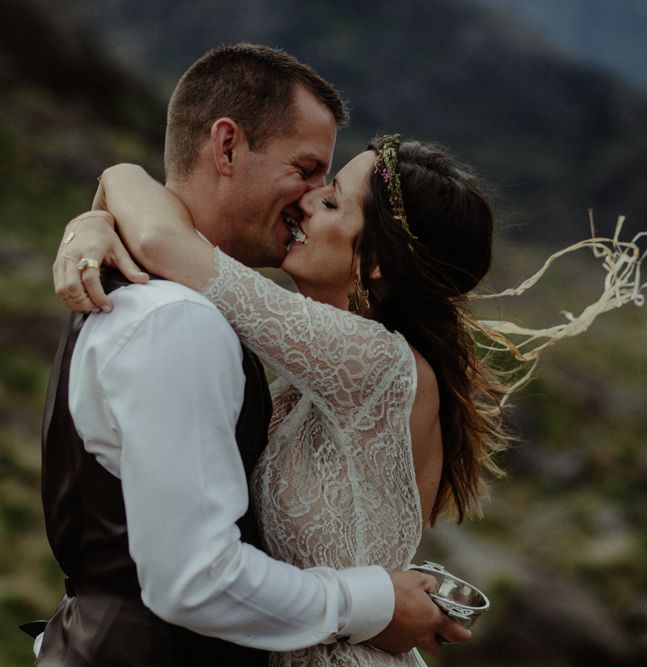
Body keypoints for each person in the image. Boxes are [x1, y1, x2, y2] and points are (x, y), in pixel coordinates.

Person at [37, 44, 468, 667]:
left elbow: (164, 236)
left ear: (374, 262)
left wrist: (110, 187)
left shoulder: (364, 360)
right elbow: (195, 578)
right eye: (308, 171)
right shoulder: (180, 321)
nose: (308, 198)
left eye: (329, 194)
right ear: (228, 147)